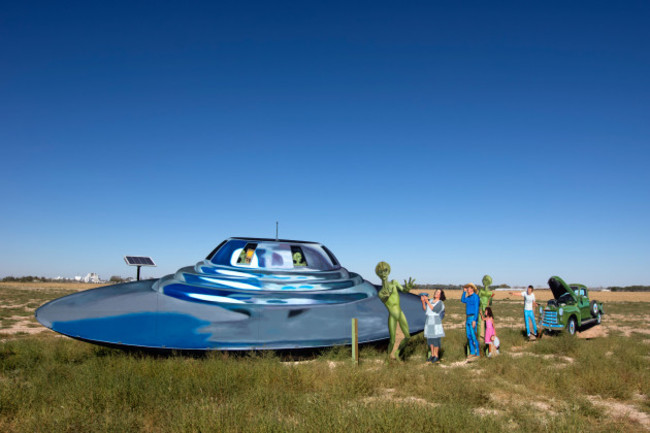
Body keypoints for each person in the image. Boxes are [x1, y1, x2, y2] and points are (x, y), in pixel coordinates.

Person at [375, 261, 415, 359]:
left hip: (400, 313)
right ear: (378, 274)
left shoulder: (394, 283)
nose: (383, 273)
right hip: (392, 316)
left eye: (385, 270)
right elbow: (384, 298)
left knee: (408, 336)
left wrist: (407, 288)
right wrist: (386, 296)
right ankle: (388, 358)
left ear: (388, 271)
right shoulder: (380, 293)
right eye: (380, 271)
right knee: (392, 340)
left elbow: (404, 290)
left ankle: (397, 353)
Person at [420, 289, 446, 363]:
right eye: (436, 291)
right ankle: (432, 355)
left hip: (435, 321)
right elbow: (425, 310)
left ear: (440, 295)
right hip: (429, 320)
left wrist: (427, 301)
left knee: (435, 339)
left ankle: (436, 356)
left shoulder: (440, 303)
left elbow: (435, 310)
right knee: (430, 339)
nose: (436, 293)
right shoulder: (431, 300)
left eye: (438, 292)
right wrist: (423, 302)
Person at [461, 283, 480, 359]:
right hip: (468, 318)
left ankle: (477, 353)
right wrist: (464, 292)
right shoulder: (468, 297)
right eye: (467, 288)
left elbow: (476, 308)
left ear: (472, 289)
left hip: (473, 318)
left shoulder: (475, 297)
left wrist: (475, 320)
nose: (467, 289)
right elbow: (462, 300)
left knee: (473, 336)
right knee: (469, 336)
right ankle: (472, 352)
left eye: (468, 288)